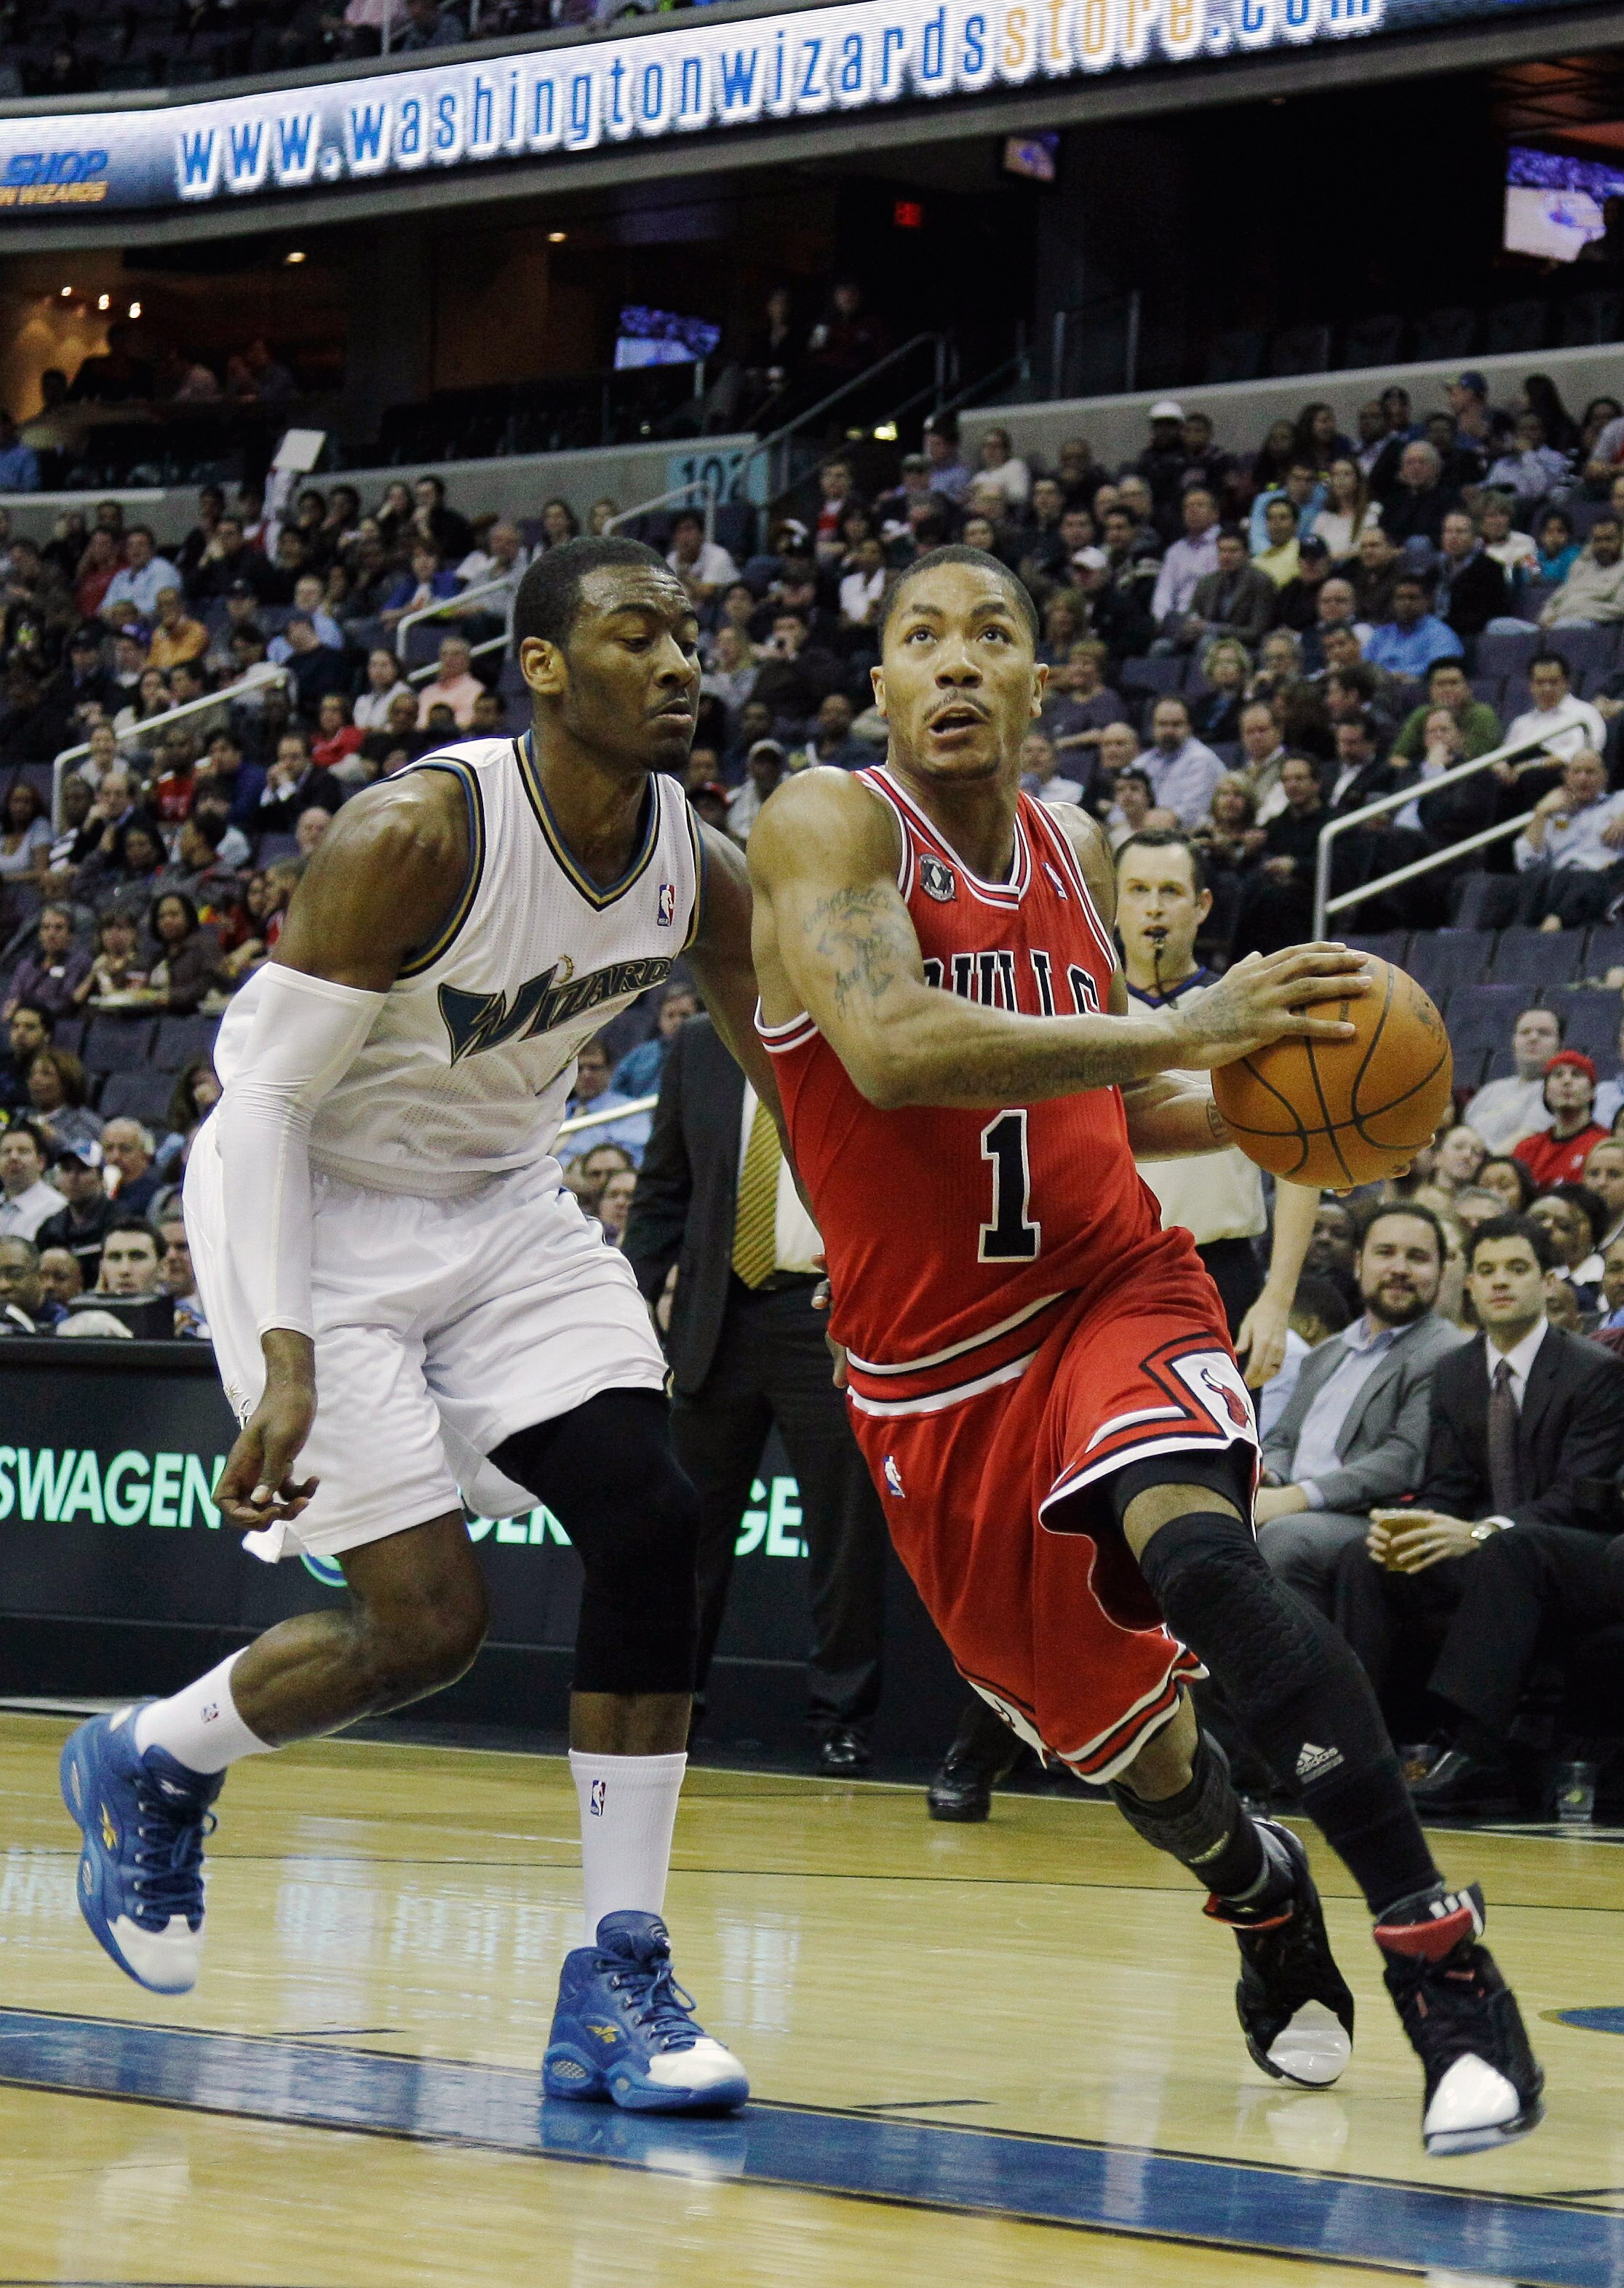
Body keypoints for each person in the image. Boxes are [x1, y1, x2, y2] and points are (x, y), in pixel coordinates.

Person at [745, 542, 1543, 2154]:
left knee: (1205, 1566)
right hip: (933, 1380)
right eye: (920, 639)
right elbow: (897, 1051)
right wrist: (1192, 1027)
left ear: (1047, 682)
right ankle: (1261, 1899)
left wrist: (1305, 1097)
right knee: (1147, 1757)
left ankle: (1442, 1970)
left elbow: (1113, 1093)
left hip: (1114, 1286)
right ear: (883, 683)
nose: (955, 662)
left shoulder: (1075, 839)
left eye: (994, 635)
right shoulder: (824, 826)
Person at [60, 535, 777, 2121]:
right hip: (312, 1207)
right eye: (636, 637)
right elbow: (257, 1105)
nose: (679, 664)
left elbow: (800, 1066)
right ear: (539, 666)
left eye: (690, 638)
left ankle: (617, 1979)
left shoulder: (700, 865)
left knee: (656, 1522)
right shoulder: (416, 834)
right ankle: (155, 1759)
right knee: (428, 1628)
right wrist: (285, 1348)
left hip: (505, 1202)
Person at [624, 1012, 891, 1773]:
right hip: (716, 1317)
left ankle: (844, 1719)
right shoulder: (700, 1047)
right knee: (687, 1533)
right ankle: (674, 1707)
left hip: (827, 1316)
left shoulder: (856, 1030)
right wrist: (630, 1301)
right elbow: (663, 1190)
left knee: (844, 1537)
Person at [1333, 1216, 1624, 1810]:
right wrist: (1412, 1528)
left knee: (1512, 1549)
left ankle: (1474, 1752)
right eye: (1486, 1270)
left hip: (1580, 1552)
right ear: (1467, 1286)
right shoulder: (1455, 1372)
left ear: (1547, 1283)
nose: (1499, 1283)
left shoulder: (1596, 1372)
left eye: (1516, 1270)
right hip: (1496, 1554)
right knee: (1363, 1556)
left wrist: (1481, 1531)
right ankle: (1363, 1747)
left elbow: (1580, 1498)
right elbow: (1448, 1486)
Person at [1115, 830, 1317, 1351]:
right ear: (1111, 905)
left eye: (1170, 891)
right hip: (1108, 1274)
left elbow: (1300, 1161)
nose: (1153, 909)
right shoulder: (1082, 1013)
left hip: (1222, 1271)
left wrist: (1277, 1298)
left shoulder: (1251, 1007)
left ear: (1202, 905)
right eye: (1136, 890)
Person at [1257, 1206, 1464, 1614]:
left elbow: (1403, 1458)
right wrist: (1271, 1475)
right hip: (1290, 1502)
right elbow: (1282, 1439)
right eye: (1385, 1253)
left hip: (1372, 1518)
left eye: (1418, 1258)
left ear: (1441, 1274)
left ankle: (1300, 1679)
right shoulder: (1329, 1352)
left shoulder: (1445, 1352)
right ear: (1358, 1264)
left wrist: (1296, 1497)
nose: (1400, 1268)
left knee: (1284, 1539)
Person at [1511, 749, 1624, 928]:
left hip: (1603, 879)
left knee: (1584, 880)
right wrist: (1540, 814)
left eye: (1590, 772)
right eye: (1576, 772)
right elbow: (1525, 863)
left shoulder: (1618, 802)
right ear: (1566, 777)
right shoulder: (1553, 813)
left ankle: (1553, 925)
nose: (1583, 778)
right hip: (1556, 882)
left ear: (1604, 777)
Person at [1463, 1006, 1561, 1153]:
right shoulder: (1490, 1090)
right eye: (1525, 1032)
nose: (1533, 1038)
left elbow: (1525, 1140)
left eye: (1544, 1033)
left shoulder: (1555, 1092)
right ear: (1514, 1042)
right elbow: (1463, 1132)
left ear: (1560, 1045)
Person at [1513, 1052, 1609, 1188]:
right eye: (1558, 1075)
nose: (1567, 1081)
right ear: (1546, 1092)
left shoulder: (1604, 1145)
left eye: (1577, 1074)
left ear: (1592, 1091)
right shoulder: (1526, 1149)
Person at [1502, 653, 1606, 769]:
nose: (1547, 688)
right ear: (1531, 686)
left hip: (1561, 775)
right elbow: (1504, 756)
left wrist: (1533, 765)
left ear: (1567, 683)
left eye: (1553, 682)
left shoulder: (1585, 713)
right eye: (1540, 682)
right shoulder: (1521, 723)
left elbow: (1585, 754)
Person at [36, 1139, 115, 1285]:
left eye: (83, 1169)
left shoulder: (118, 1223)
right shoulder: (49, 1228)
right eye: (67, 1169)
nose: (73, 1177)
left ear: (101, 1177)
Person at [1137, 697, 1224, 830]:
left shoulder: (1202, 760)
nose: (1169, 731)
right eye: (1162, 724)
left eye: (1176, 724)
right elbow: (1117, 813)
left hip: (1185, 837)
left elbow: (1191, 814)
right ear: (1152, 728)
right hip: (1146, 832)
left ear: (1189, 727)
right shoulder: (1143, 762)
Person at [0, 1122, 62, 1241]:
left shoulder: (56, 1210)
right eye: (6, 1152)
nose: (13, 1157)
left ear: (41, 1162)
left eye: (23, 1151)